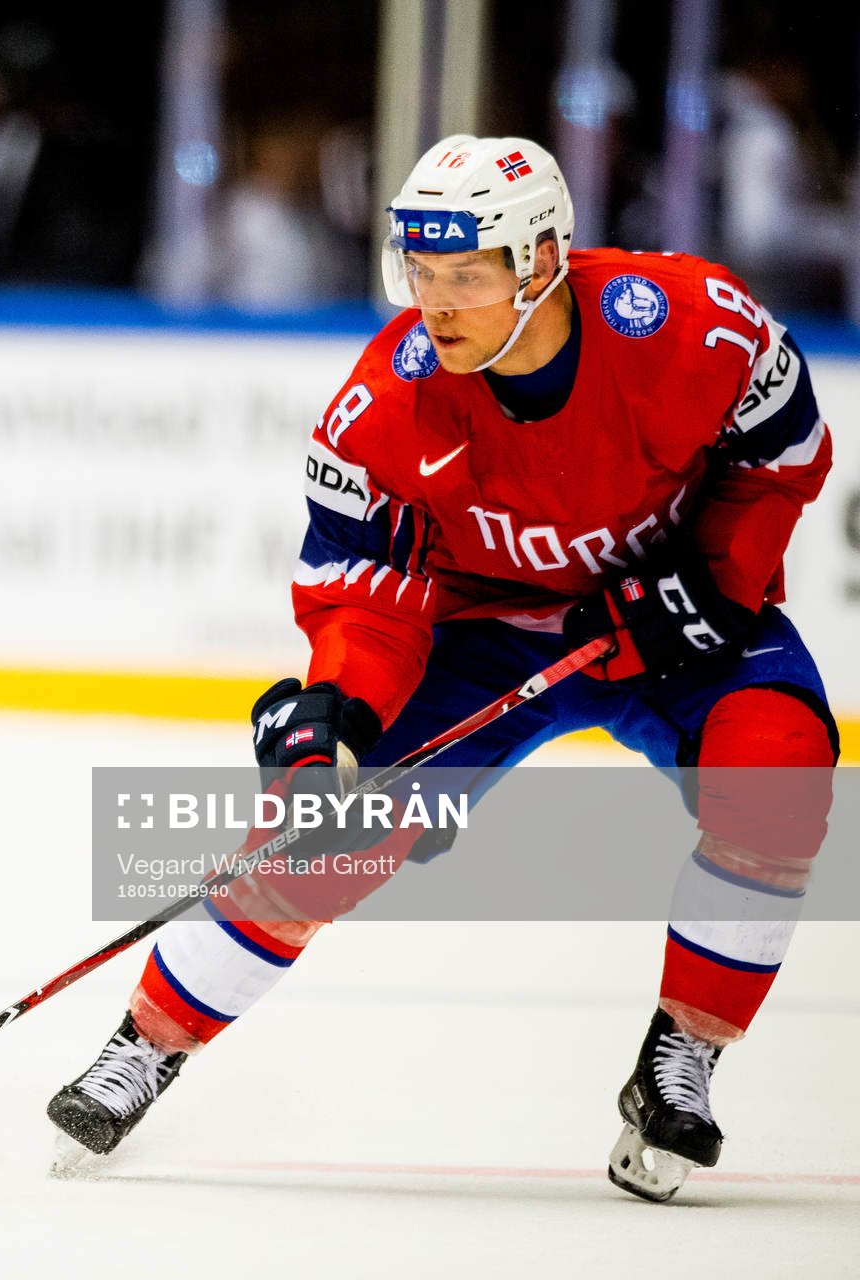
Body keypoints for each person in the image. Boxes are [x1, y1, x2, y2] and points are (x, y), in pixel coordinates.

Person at [45, 135, 836, 1203]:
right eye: (422, 273)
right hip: (480, 632)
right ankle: (148, 1042)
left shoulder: (689, 324)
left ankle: (682, 1056)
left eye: (467, 275)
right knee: (319, 834)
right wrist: (335, 717)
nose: (438, 303)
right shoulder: (387, 402)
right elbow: (368, 596)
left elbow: (787, 450)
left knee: (778, 776)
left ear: (545, 259)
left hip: (671, 617)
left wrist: (719, 578)